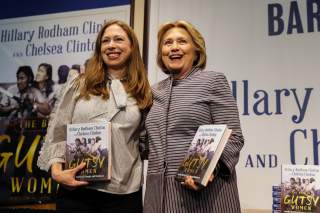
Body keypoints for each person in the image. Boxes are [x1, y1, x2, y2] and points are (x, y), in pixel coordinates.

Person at [37, 19, 152, 213]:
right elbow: (58, 133)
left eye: (118, 39)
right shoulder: (78, 84)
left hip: (124, 196)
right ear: (99, 48)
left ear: (132, 47)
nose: (111, 45)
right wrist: (57, 173)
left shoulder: (142, 91)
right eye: (105, 41)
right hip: (77, 191)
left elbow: (145, 143)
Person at [143, 20, 244, 213]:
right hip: (159, 198)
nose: (174, 48)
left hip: (205, 196)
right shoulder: (154, 92)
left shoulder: (212, 81)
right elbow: (146, 144)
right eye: (167, 43)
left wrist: (208, 171)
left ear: (196, 50)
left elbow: (234, 138)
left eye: (182, 41)